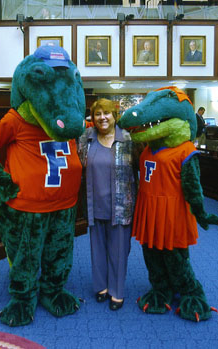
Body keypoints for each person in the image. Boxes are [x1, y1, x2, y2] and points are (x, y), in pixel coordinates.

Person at [78, 98, 138, 311]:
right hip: (95, 204)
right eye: (97, 114)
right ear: (92, 118)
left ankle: (117, 291)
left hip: (121, 205)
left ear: (115, 115)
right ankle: (101, 287)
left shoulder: (128, 139)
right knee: (97, 248)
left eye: (107, 113)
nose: (102, 118)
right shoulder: (87, 138)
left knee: (119, 250)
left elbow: (137, 170)